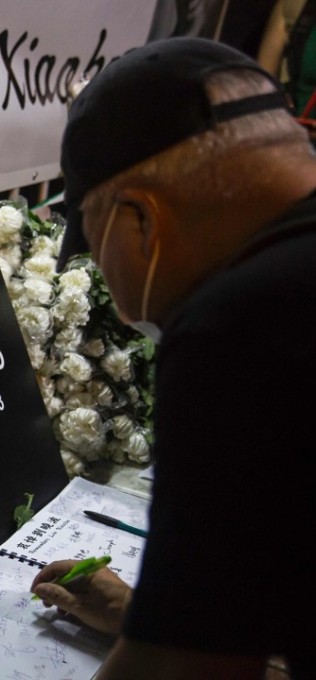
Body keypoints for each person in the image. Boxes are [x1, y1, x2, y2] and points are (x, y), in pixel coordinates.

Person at [31, 37, 316, 679]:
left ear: (139, 220)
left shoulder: (239, 330)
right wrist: (166, 612)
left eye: (95, 246)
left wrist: (166, 641)